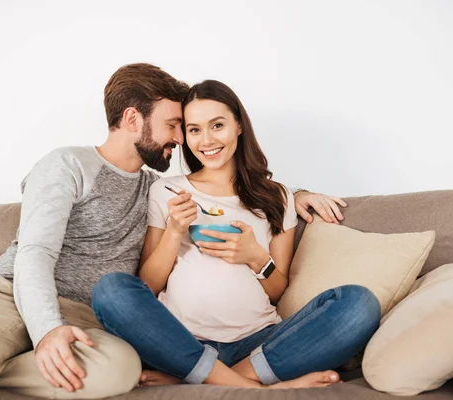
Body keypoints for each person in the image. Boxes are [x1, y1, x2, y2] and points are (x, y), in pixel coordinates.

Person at [0, 65, 347, 399]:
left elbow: (236, 191)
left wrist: (291, 196)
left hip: (91, 317)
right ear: (133, 119)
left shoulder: (157, 186)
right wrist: (46, 330)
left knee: (120, 372)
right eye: (177, 126)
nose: (185, 141)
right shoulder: (67, 165)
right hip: (13, 295)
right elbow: (35, 255)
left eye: (195, 128)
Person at [91, 80, 381, 389]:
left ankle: (206, 378)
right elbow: (147, 285)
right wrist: (175, 231)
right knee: (111, 290)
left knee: (358, 303)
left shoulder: (278, 197)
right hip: (179, 339)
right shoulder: (167, 191)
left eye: (217, 125)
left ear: (239, 126)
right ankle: (253, 386)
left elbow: (276, 290)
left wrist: (256, 257)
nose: (206, 140)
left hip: (257, 344)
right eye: (194, 130)